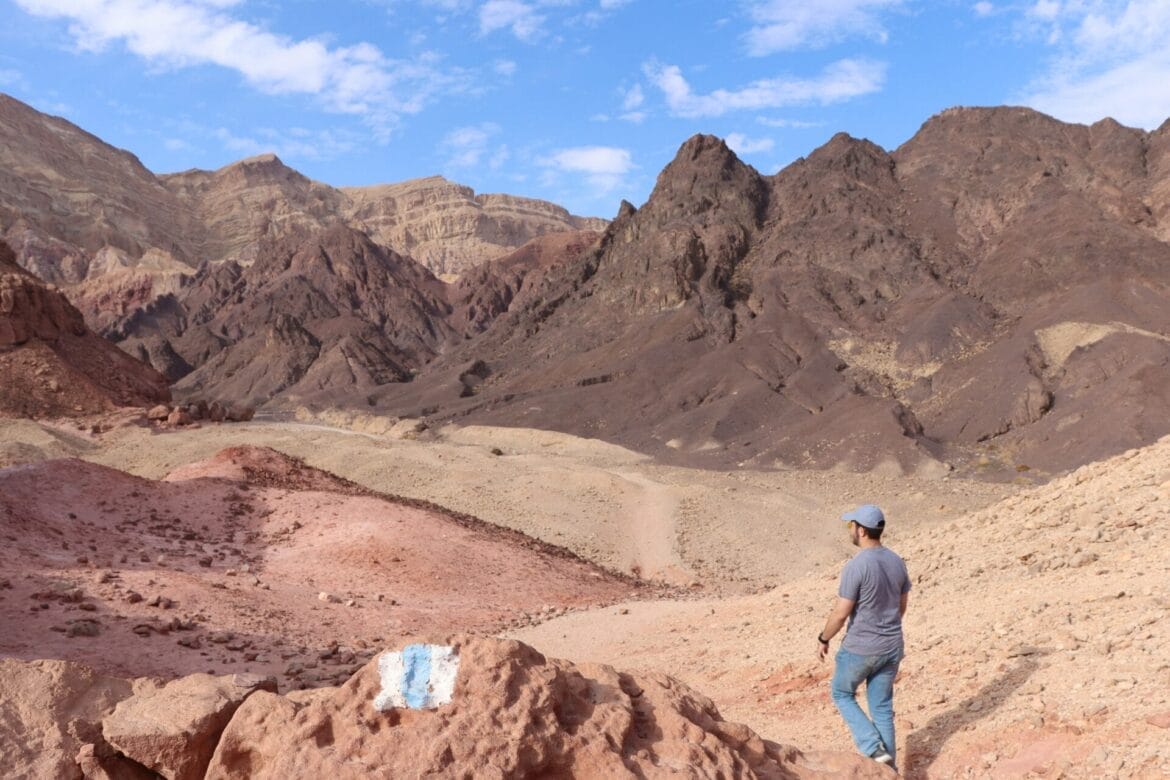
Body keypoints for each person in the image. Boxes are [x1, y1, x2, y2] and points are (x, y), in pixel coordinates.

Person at [816, 504, 910, 769]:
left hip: (861, 647)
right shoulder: (896, 561)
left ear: (861, 530)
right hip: (892, 645)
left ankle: (871, 746)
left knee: (841, 693)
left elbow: (841, 613)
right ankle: (889, 770)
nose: (850, 530)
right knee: (881, 707)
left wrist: (824, 638)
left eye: (851, 526)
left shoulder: (856, 566)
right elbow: (901, 605)